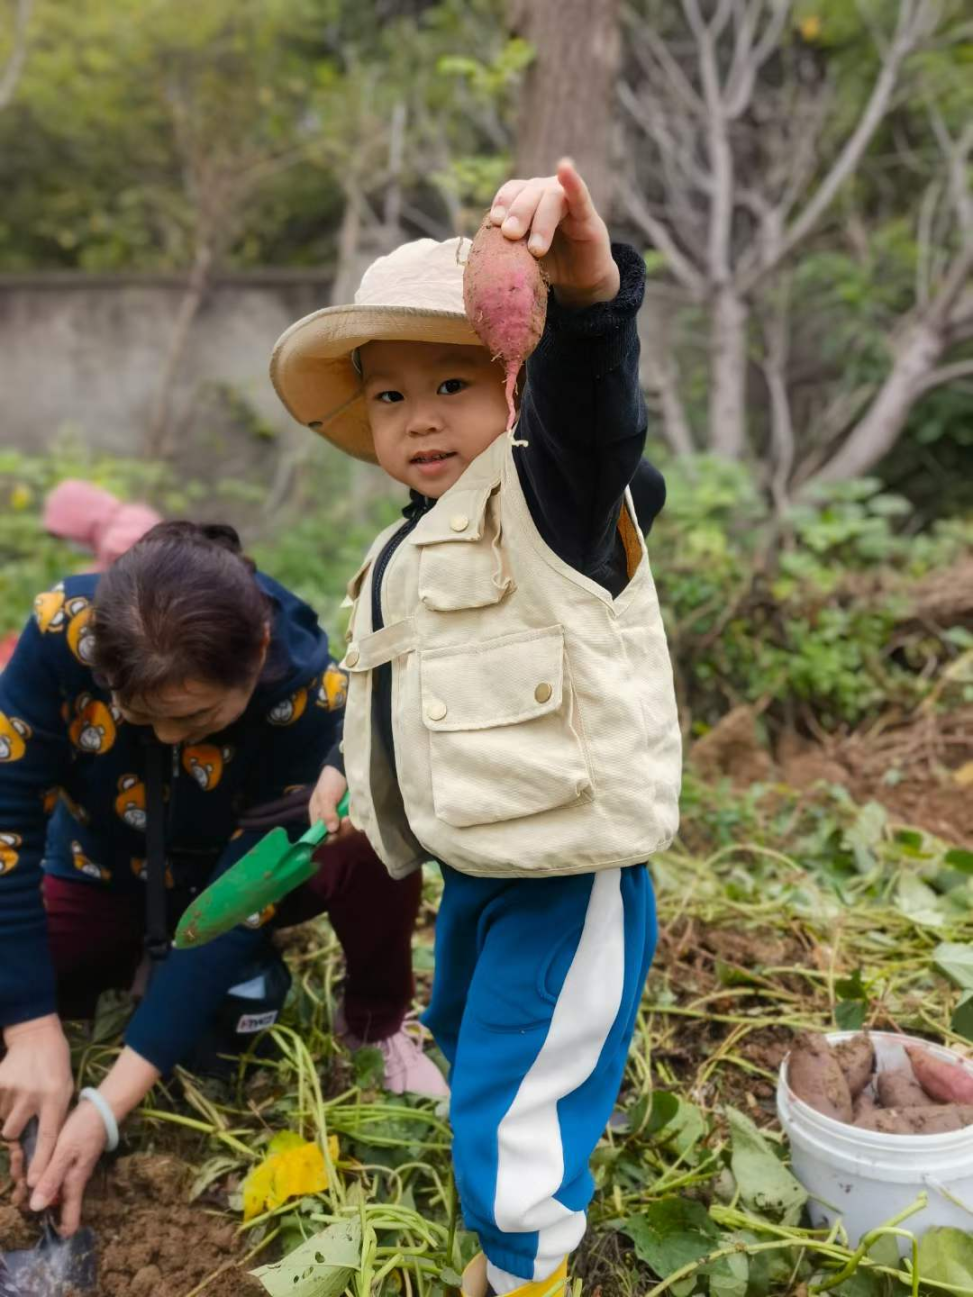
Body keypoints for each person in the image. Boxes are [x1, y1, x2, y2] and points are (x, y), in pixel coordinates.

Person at [271, 161, 682, 1297]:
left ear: (515, 384)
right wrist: (348, 772)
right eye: (391, 397)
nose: (419, 417)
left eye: (453, 381)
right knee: (464, 1029)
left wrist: (589, 302)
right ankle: (513, 1221)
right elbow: (404, 691)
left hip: (566, 871)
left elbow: (593, 414)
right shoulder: (404, 545)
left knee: (515, 1095)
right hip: (479, 864)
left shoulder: (555, 499)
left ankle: (524, 1269)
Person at [0, 522, 446, 1238]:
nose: (172, 737)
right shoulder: (62, 634)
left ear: (258, 653)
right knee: (27, 982)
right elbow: (7, 826)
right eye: (142, 715)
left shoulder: (305, 695)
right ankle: (119, 964)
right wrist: (29, 1027)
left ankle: (376, 1021)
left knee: (359, 834)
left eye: (198, 716)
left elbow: (231, 909)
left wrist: (107, 1107)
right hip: (102, 869)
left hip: (240, 878)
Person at [43, 479, 164, 571]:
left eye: (69, 535)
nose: (73, 542)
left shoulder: (121, 536)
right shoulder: (130, 514)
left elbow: (120, 576)